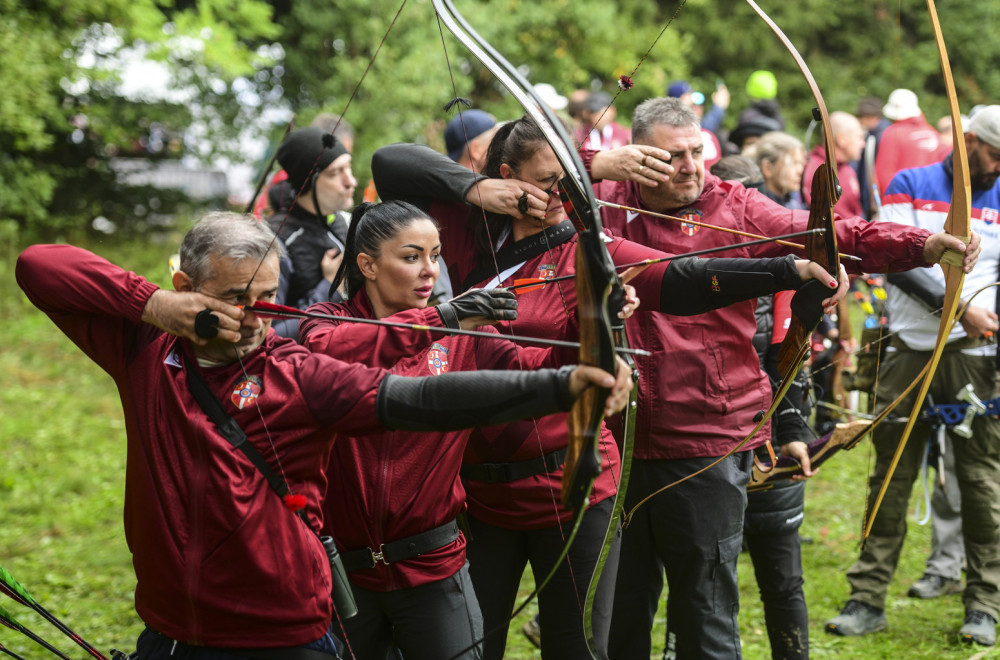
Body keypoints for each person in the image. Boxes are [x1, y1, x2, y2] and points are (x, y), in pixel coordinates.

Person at [15, 212, 635, 659]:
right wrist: (148, 304)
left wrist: (565, 385)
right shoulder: (144, 353)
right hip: (174, 629)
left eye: (266, 296)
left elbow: (417, 400)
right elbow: (38, 265)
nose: (255, 317)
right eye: (235, 298)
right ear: (186, 291)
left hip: (283, 632)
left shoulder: (294, 375)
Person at [370, 116, 849, 660]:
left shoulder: (591, 248)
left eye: (573, 183)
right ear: (508, 177)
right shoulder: (464, 228)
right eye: (549, 182)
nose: (561, 197)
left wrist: (789, 268)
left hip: (570, 482)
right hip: (482, 490)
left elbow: (685, 279)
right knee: (476, 648)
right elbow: (389, 161)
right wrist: (478, 188)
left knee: (577, 649)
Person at [570, 96, 979, 660]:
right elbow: (523, 170)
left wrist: (923, 246)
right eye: (672, 157)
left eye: (697, 153)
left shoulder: (735, 206)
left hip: (705, 439)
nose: (690, 167)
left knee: (706, 611)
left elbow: (833, 234)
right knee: (619, 611)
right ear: (636, 157)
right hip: (616, 435)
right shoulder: (603, 201)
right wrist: (594, 163)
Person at [298, 200, 560, 659]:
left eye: (436, 256)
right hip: (343, 573)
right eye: (412, 256)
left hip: (434, 567)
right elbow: (335, 350)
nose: (430, 271)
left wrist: (599, 330)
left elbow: (533, 376)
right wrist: (443, 319)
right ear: (368, 265)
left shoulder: (465, 332)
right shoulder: (326, 323)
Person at [825, 105, 1000, 647]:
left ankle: (985, 604)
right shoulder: (911, 183)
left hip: (974, 356)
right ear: (967, 140)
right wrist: (958, 307)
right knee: (891, 476)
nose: (996, 166)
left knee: (981, 482)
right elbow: (895, 263)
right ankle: (867, 598)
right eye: (992, 154)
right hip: (909, 349)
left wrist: (982, 321)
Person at [714, 153, 815, 660]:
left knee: (781, 572)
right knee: (707, 579)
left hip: (771, 432)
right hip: (704, 441)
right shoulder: (696, 268)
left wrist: (793, 425)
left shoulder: (783, 268)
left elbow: (790, 355)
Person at [267, 126, 357, 336]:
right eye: (336, 172)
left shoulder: (345, 221)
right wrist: (329, 287)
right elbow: (267, 333)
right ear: (308, 183)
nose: (351, 181)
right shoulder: (274, 240)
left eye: (348, 167)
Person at [874, 88, 950, 197]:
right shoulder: (933, 132)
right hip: (932, 203)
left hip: (902, 202)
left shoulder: (892, 133)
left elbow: (884, 174)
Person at [802, 111, 866, 219]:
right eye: (859, 137)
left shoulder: (847, 168)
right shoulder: (816, 169)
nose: (863, 144)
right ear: (842, 140)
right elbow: (829, 220)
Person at [747, 131, 807, 210]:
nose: (800, 171)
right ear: (768, 168)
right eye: (793, 163)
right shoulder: (759, 209)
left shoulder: (793, 203)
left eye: (801, 164)